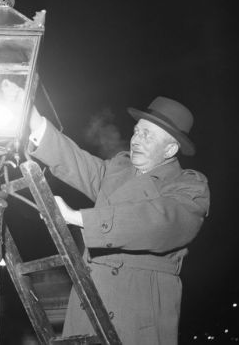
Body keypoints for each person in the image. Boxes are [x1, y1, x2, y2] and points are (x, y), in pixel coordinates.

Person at [28, 96, 210, 345]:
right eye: (137, 131)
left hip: (136, 322)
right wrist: (32, 118)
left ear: (170, 149)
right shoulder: (117, 170)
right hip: (87, 313)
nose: (136, 140)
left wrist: (76, 217)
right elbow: (77, 162)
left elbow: (159, 222)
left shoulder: (189, 186)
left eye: (147, 135)